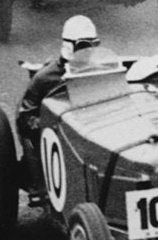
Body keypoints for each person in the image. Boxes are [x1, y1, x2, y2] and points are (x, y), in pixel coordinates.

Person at [16, 15, 100, 149]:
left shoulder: (100, 72)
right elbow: (25, 121)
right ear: (69, 45)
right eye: (84, 45)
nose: (89, 50)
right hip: (59, 141)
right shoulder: (43, 78)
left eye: (95, 44)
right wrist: (56, 125)